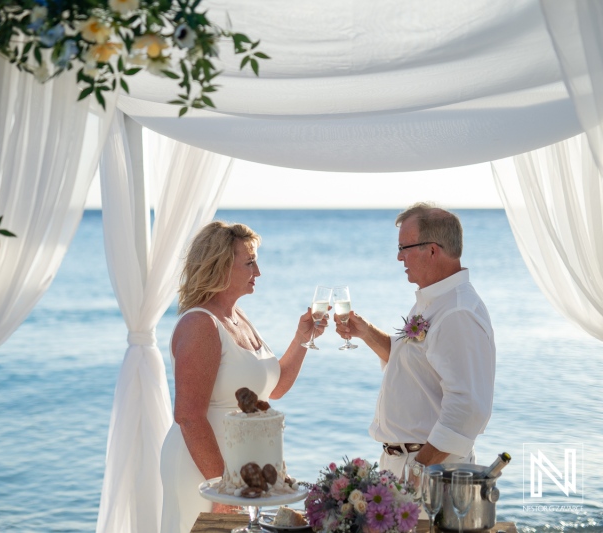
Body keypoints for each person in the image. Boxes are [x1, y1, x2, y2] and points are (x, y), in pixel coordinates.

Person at [160, 221, 326, 533]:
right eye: (249, 263)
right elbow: (189, 416)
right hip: (202, 470)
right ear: (219, 266)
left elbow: (273, 390)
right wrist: (222, 487)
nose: (258, 272)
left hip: (238, 471)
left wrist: (303, 338)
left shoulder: (239, 317)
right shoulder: (200, 324)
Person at [336, 202, 495, 480]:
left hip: (433, 470)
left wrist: (419, 469)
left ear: (432, 250)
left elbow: (469, 409)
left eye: (403, 248)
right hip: (405, 465)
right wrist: (366, 332)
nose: (399, 258)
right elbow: (411, 364)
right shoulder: (434, 301)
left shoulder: (458, 312)